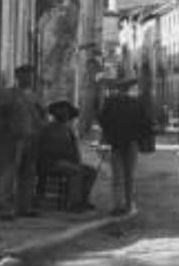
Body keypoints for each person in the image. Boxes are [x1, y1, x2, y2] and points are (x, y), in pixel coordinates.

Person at [0, 64, 45, 219]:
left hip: (31, 138)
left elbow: (40, 113)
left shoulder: (33, 96)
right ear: (17, 77)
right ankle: (3, 206)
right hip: (13, 138)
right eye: (26, 76)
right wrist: (6, 130)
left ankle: (24, 206)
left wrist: (40, 125)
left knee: (28, 173)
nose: (29, 79)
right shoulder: (7, 94)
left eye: (31, 76)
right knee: (10, 171)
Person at [97, 78, 152, 216]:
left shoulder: (110, 102)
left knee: (117, 176)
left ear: (118, 89)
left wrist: (109, 134)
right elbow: (144, 123)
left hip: (116, 142)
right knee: (129, 175)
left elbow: (102, 119)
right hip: (131, 142)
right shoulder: (135, 103)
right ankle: (129, 205)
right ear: (128, 89)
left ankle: (117, 205)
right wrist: (139, 138)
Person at [37, 100, 97, 212]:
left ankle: (83, 200)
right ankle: (74, 203)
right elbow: (53, 151)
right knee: (76, 171)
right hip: (52, 162)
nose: (67, 117)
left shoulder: (67, 130)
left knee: (91, 171)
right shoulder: (49, 129)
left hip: (64, 161)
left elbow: (73, 149)